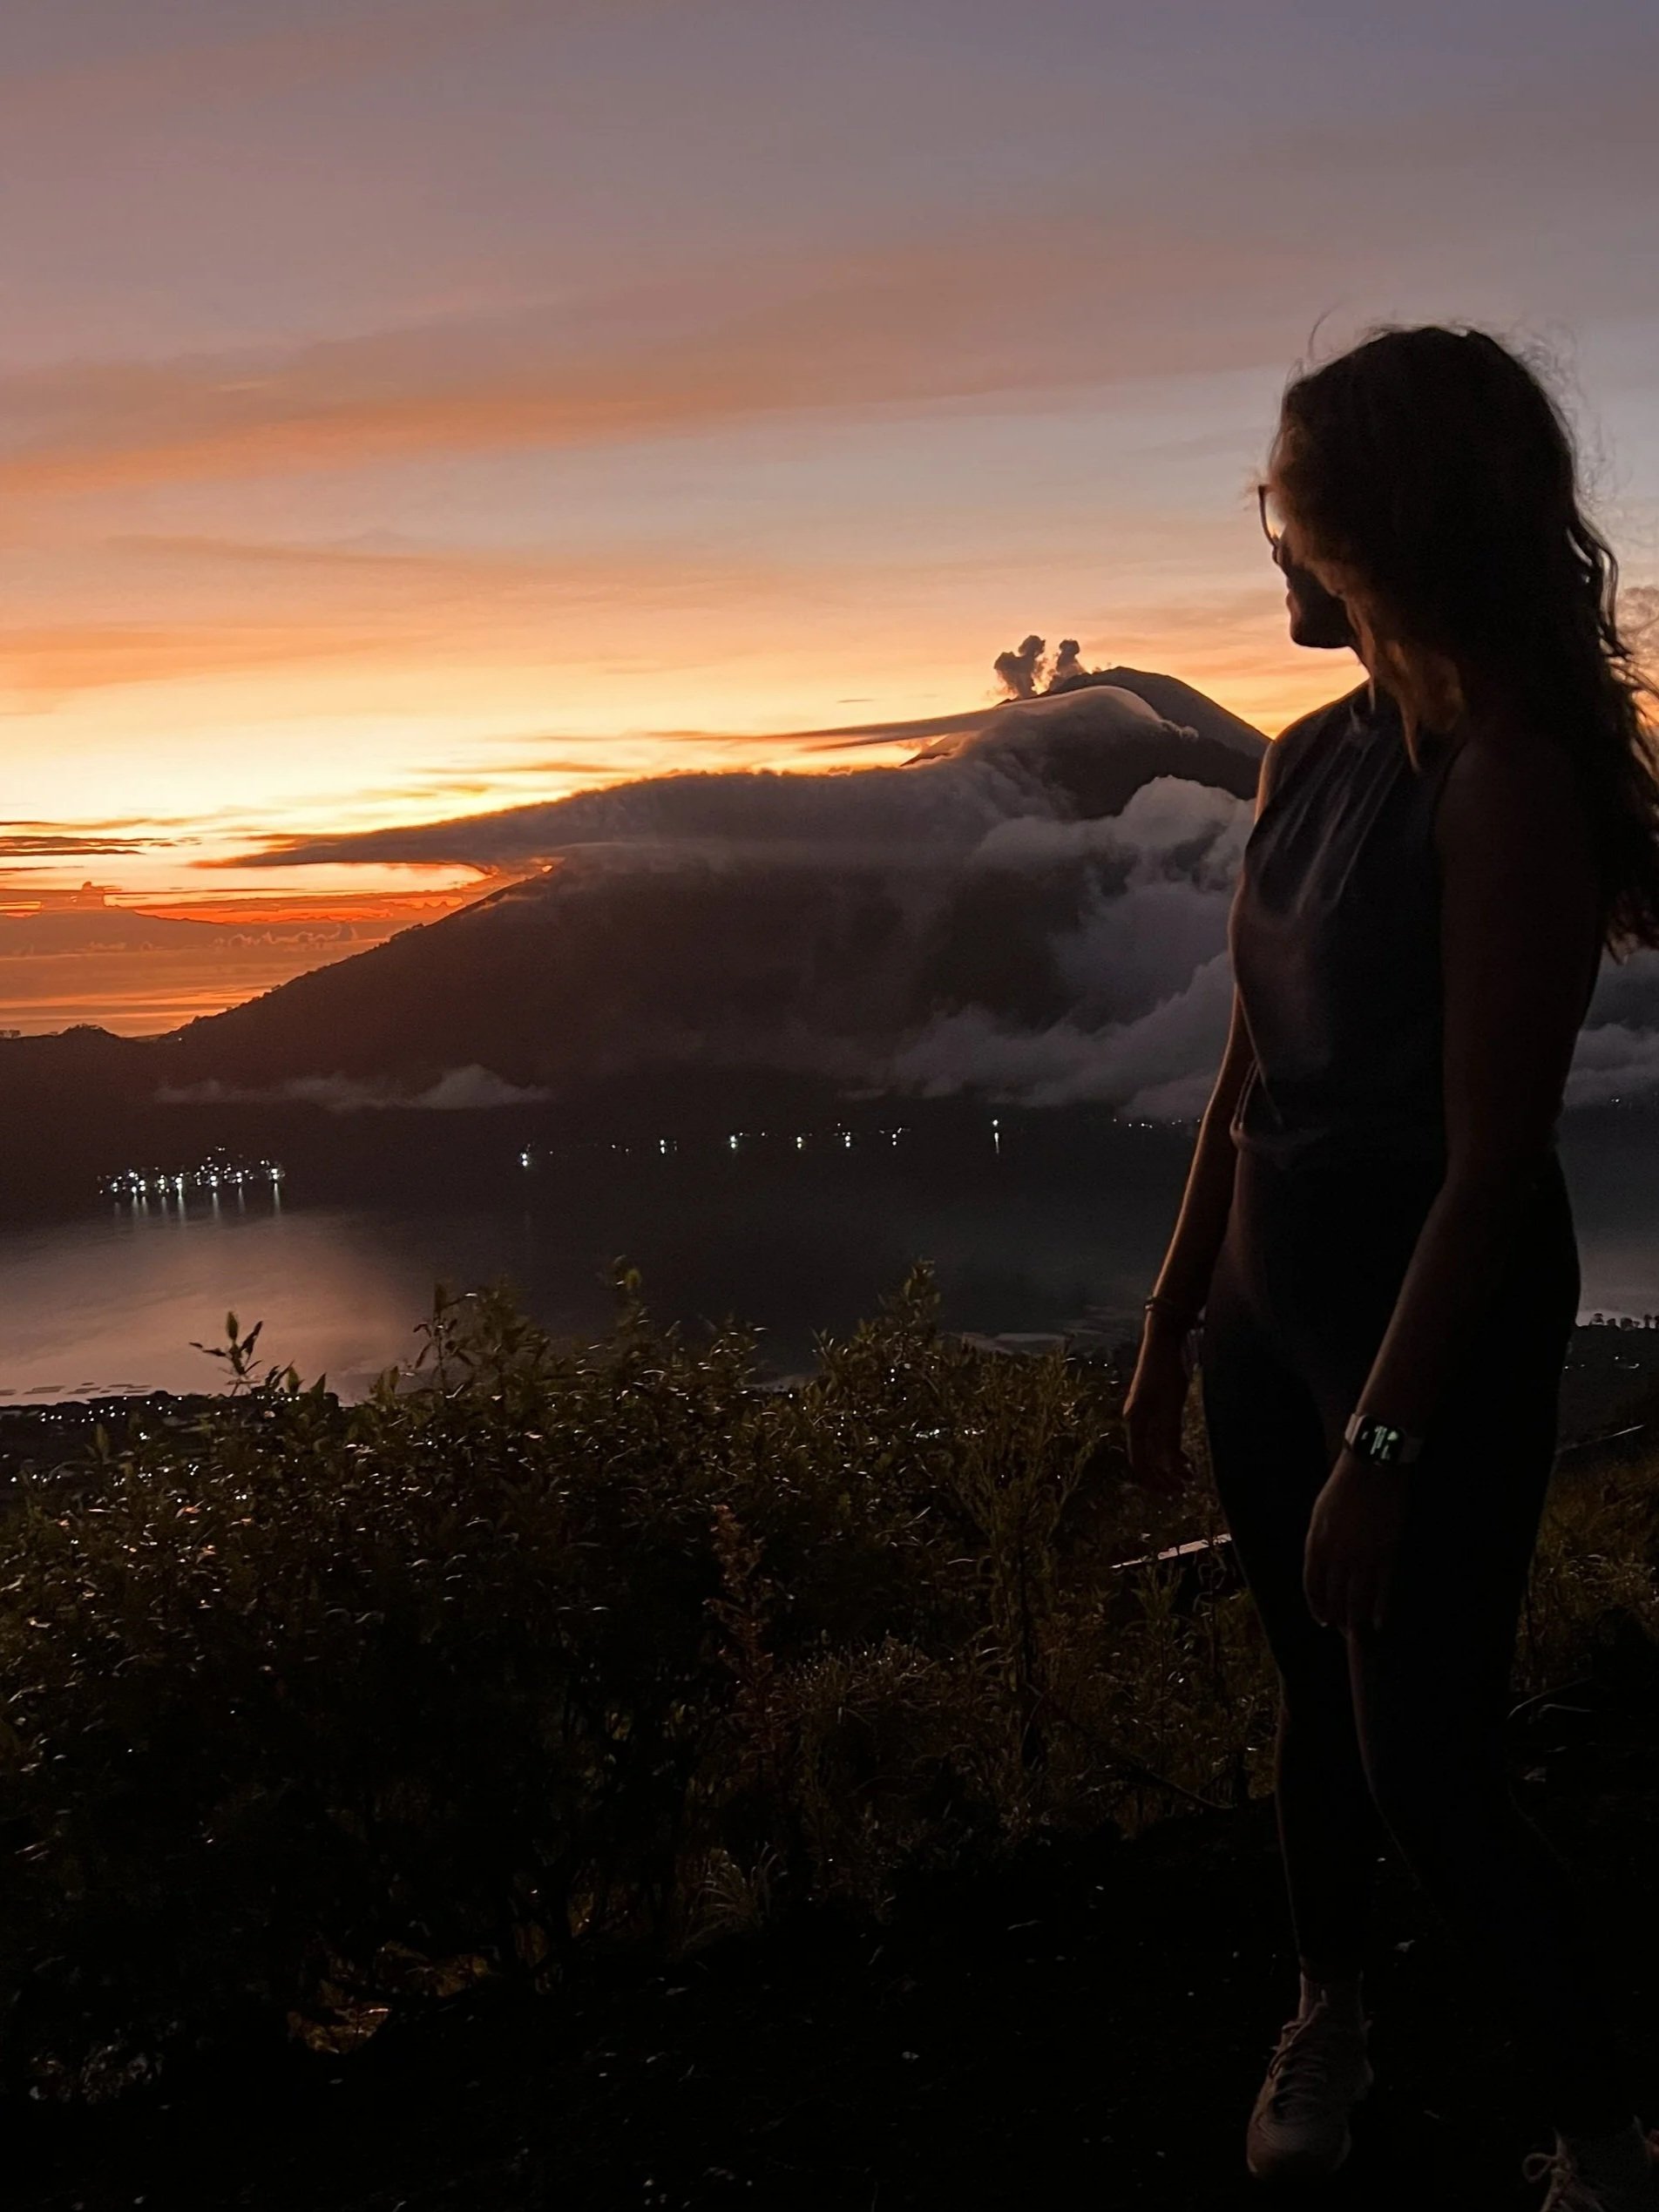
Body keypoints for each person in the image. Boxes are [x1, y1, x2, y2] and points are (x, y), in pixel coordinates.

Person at [1122, 323, 1659, 2207]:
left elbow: (1493, 1161)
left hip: (1422, 1331)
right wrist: (1172, 1322)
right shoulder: (1304, 754)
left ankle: (1605, 2139)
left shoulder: (1499, 781)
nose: (1267, 530)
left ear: (1373, 524)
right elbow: (1246, 1074)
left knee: (1426, 1758)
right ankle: (1331, 2005)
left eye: (1290, 496)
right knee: (1312, 1708)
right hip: (1272, 1320)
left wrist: (1386, 1443)